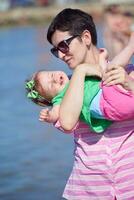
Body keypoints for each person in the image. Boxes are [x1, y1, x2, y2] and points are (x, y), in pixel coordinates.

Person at [41, 8, 134, 199]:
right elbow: (66, 122)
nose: (60, 55)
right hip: (88, 191)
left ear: (85, 37)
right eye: (55, 50)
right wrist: (81, 71)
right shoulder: (64, 88)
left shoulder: (128, 71)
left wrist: (129, 83)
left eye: (63, 46)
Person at [26, 32, 134, 133]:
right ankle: (130, 47)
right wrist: (49, 116)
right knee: (113, 70)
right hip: (106, 102)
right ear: (53, 98)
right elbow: (58, 115)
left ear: (86, 37)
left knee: (113, 69)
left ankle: (130, 47)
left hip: (108, 93)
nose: (54, 79)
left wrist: (101, 60)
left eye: (51, 74)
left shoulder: (76, 77)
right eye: (51, 85)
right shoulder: (62, 98)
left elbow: (101, 72)